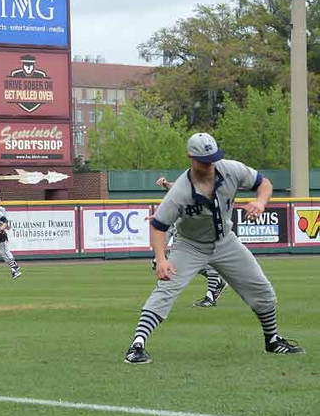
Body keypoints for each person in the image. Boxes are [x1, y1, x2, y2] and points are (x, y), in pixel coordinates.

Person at [124, 133, 304, 364]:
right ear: (191, 158)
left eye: (213, 158)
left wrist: (260, 201)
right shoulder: (180, 191)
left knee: (262, 289)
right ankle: (137, 345)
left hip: (225, 241)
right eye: (204, 160)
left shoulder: (231, 170)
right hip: (190, 245)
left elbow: (264, 183)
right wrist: (161, 259)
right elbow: (158, 226)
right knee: (165, 291)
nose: (210, 164)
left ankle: (273, 340)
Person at [154, 176, 227, 308]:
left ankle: (211, 296)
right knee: (183, 266)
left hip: (207, 235)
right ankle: (218, 283)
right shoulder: (181, 198)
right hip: (189, 239)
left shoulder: (206, 186)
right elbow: (178, 188)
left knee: (208, 265)